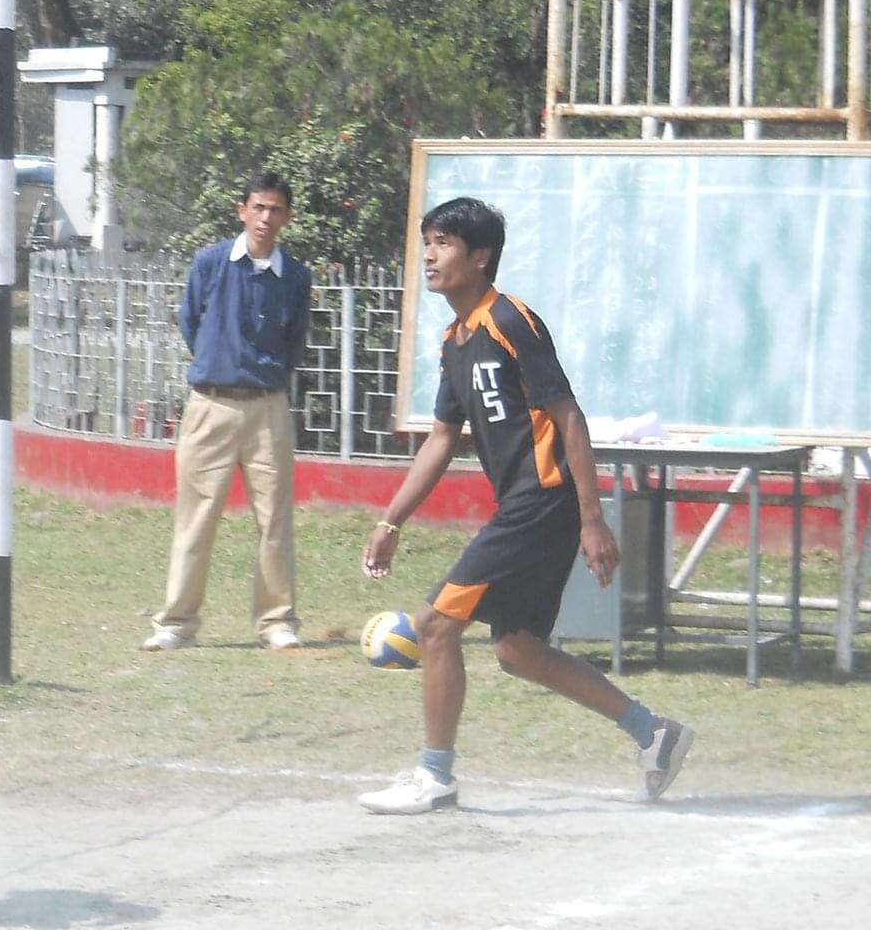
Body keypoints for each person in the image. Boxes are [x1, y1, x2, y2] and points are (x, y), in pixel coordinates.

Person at [356, 197, 693, 815]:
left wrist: (593, 519)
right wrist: (390, 520)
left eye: (444, 243)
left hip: (542, 503)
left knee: (434, 626)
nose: (429, 255)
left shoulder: (510, 320)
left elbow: (569, 416)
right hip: (524, 506)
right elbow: (441, 439)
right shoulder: (454, 341)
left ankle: (435, 776)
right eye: (427, 241)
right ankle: (654, 734)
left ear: (480, 257)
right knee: (519, 651)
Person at [144, 173, 311, 653]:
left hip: (267, 410)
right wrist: (219, 362)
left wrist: (262, 375)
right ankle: (177, 624)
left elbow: (294, 341)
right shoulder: (211, 262)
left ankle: (277, 622)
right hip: (210, 406)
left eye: (275, 209)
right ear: (242, 210)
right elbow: (191, 322)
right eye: (258, 207)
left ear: (287, 217)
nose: (265, 218)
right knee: (195, 519)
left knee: (274, 521)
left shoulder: (295, 276)